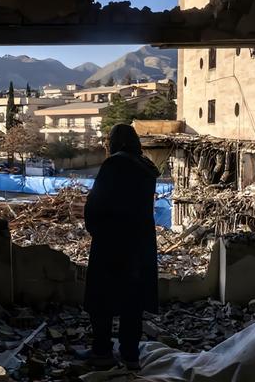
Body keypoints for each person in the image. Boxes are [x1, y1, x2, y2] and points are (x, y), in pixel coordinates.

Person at [80, 123, 160, 370]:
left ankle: (102, 351)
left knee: (101, 299)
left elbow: (97, 204)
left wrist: (95, 228)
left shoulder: (114, 164)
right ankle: (130, 354)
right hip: (140, 245)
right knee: (132, 301)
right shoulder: (146, 168)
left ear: (115, 142)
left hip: (111, 244)